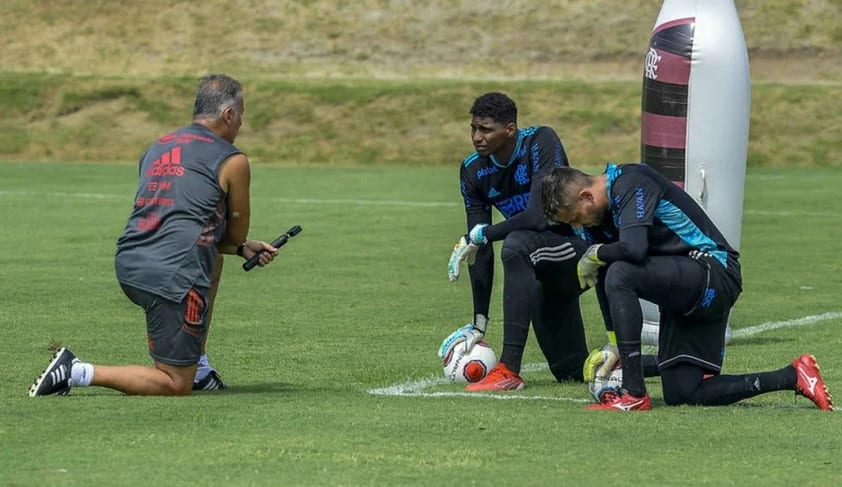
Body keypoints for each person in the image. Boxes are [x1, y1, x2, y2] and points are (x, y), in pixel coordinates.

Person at [29, 73, 279, 397]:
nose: (241, 123)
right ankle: (75, 370)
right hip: (171, 277)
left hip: (130, 264)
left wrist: (239, 248)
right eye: (241, 114)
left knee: (213, 258)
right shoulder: (233, 160)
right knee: (175, 383)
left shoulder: (156, 147)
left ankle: (200, 367)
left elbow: (177, 218)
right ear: (229, 115)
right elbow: (234, 233)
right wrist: (240, 244)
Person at [539, 163, 833, 411]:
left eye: (576, 218)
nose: (579, 227)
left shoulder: (631, 181)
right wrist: (614, 344)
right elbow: (606, 275)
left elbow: (634, 249)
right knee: (683, 392)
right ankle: (793, 376)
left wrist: (596, 254)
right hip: (684, 291)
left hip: (715, 273)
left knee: (619, 269)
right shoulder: (598, 221)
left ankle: (634, 393)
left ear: (586, 196)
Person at [443, 92, 595, 392]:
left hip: (582, 252)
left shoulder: (540, 142)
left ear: (509, 129)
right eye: (473, 128)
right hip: (543, 268)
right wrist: (479, 322)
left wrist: (482, 235)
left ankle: (509, 369)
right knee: (573, 372)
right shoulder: (473, 171)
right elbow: (479, 248)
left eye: (486, 130)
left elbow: (539, 218)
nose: (477, 137)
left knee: (515, 244)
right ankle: (669, 364)